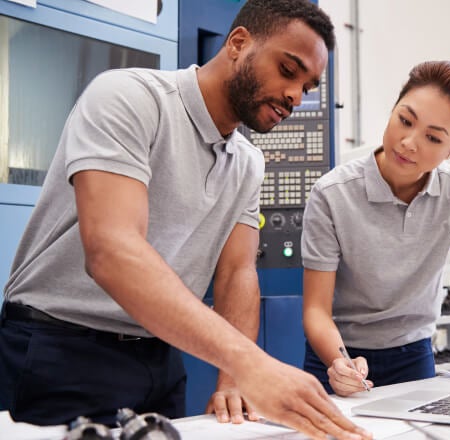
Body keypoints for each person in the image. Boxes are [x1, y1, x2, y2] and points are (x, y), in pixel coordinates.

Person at [0, 1, 370, 438]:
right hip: (59, 350)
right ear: (237, 43)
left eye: (307, 86)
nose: (295, 95)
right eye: (288, 70)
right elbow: (113, 252)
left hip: (159, 360)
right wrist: (251, 363)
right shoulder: (130, 97)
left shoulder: (248, 163)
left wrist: (233, 380)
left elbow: (237, 273)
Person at [302, 60, 450, 396]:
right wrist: (339, 361)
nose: (409, 142)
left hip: (413, 355)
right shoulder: (332, 193)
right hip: (339, 353)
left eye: (432, 137)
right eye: (405, 120)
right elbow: (316, 308)